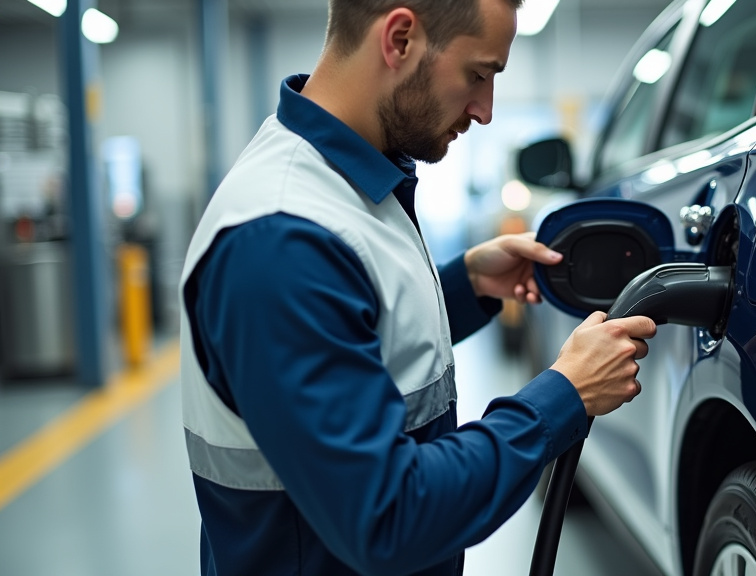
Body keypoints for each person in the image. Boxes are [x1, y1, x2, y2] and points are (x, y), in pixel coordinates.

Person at [178, 0, 657, 575]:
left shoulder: (344, 180)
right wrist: (564, 396)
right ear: (400, 39)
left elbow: (356, 342)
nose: (485, 111)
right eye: (479, 74)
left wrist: (469, 284)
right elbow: (387, 518)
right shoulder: (281, 243)